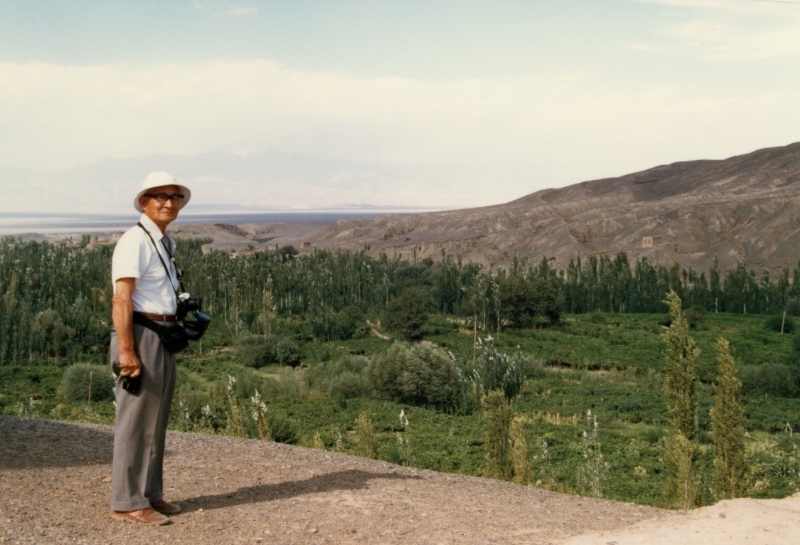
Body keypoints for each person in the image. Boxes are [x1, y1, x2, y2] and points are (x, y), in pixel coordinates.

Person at [109, 172, 191, 525]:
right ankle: (127, 502)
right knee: (136, 421)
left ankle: (150, 494)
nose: (169, 203)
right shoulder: (135, 241)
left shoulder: (163, 241)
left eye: (175, 197)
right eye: (160, 196)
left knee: (155, 420)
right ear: (144, 202)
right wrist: (127, 352)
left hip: (162, 334)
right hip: (141, 335)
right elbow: (121, 299)